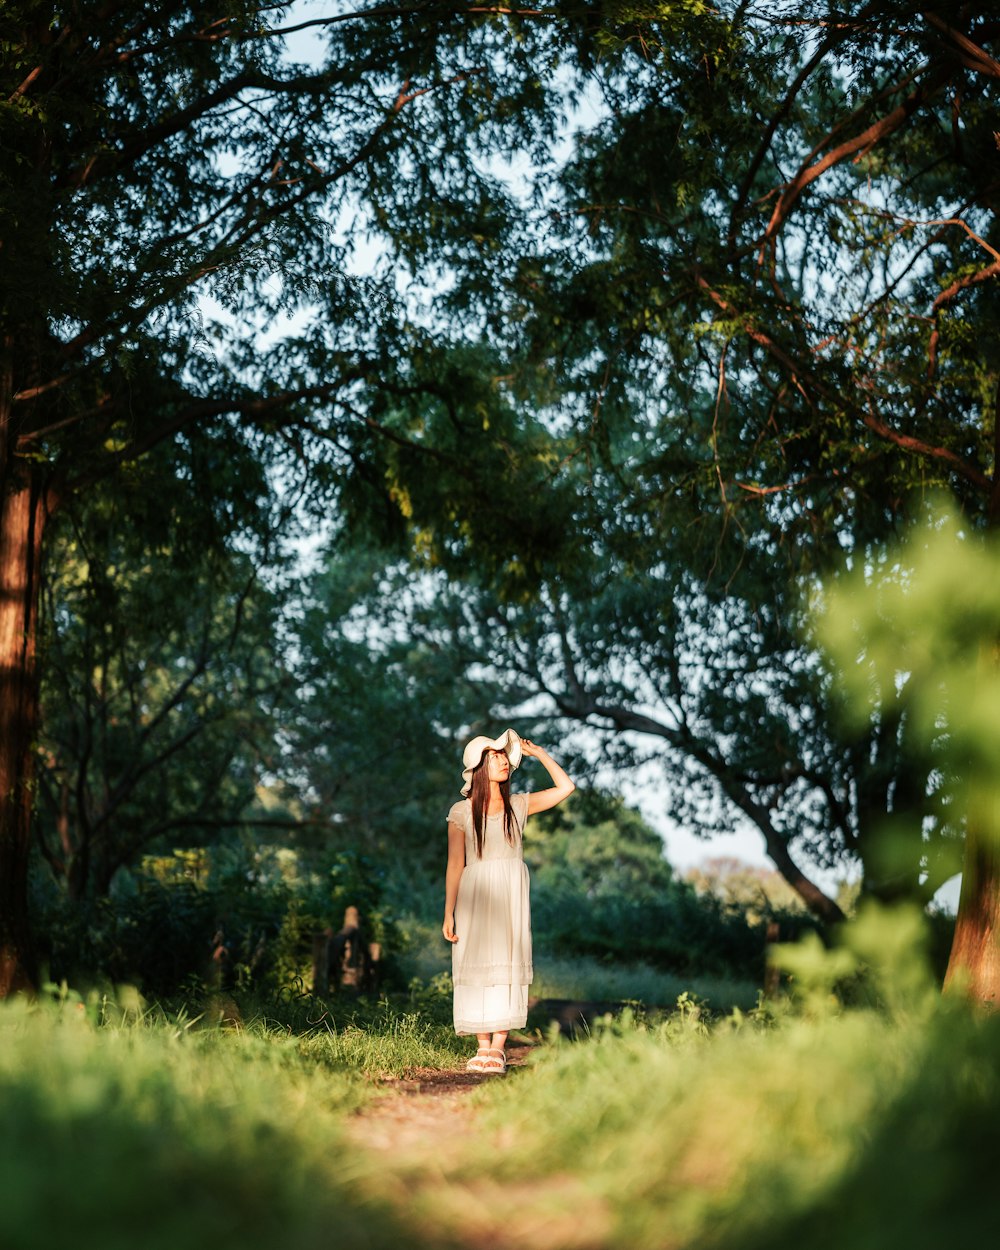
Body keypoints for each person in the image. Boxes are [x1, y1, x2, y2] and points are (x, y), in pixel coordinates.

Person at [442, 728, 575, 1074]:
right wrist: (449, 913)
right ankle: (481, 1045)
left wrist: (541, 754)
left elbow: (566, 788)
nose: (503, 762)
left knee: (506, 962)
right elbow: (455, 864)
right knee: (475, 963)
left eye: (504, 755)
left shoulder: (519, 804)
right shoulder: (460, 812)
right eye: (495, 757)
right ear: (479, 769)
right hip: (474, 891)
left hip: (510, 891)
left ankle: (499, 1047)